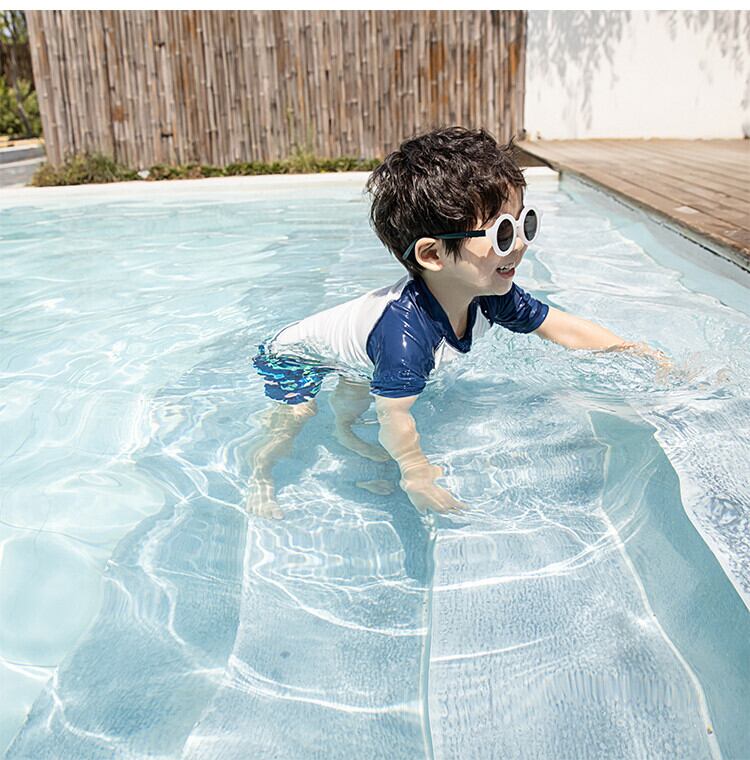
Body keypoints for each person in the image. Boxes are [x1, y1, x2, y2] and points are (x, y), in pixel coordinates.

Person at [245, 126, 667, 519]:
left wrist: (632, 351)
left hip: (346, 349)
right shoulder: (405, 337)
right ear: (432, 255)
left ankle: (343, 429)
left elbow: (563, 328)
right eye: (502, 234)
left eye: (524, 223)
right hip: (293, 358)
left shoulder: (491, 294)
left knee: (357, 385)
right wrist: (416, 474)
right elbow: (394, 416)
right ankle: (259, 475)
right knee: (295, 417)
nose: (520, 245)